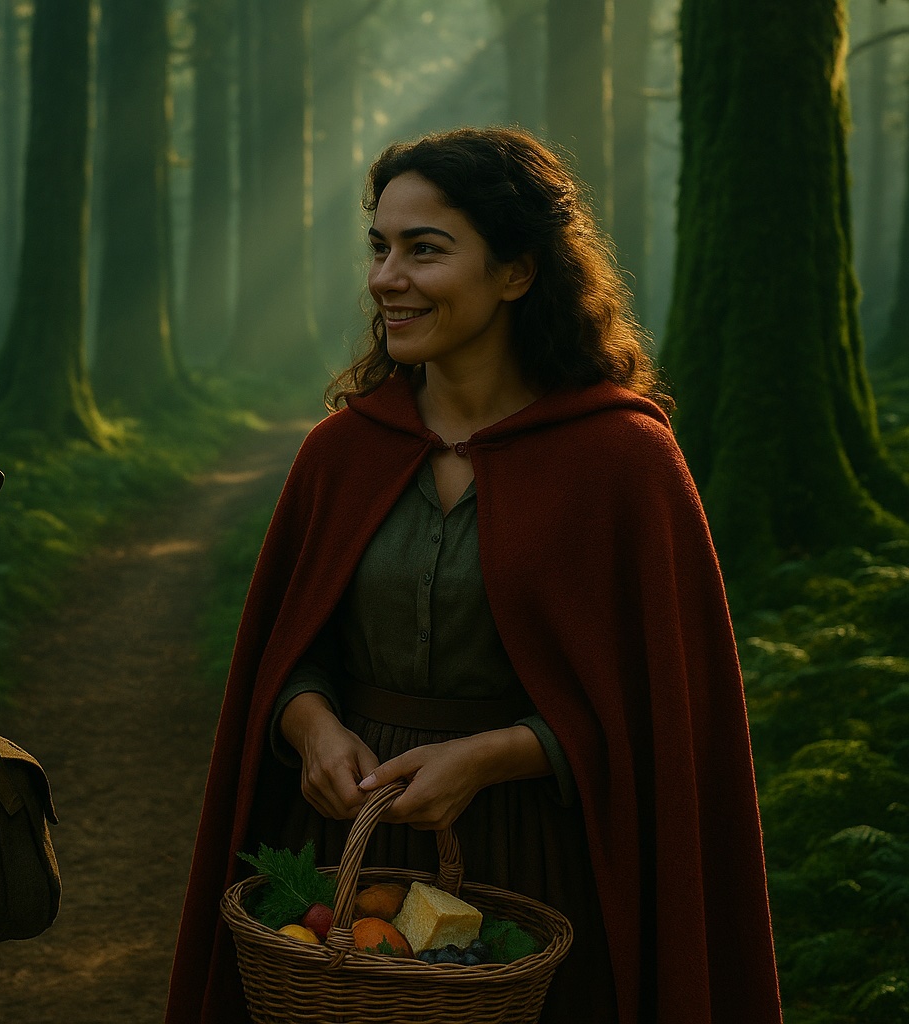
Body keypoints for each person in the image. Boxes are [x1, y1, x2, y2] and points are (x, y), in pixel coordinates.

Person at [165, 126, 783, 1024]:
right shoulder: (342, 455)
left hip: (539, 858)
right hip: (349, 848)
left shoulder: (623, 461)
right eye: (380, 247)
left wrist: (493, 755)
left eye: (425, 250)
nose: (387, 279)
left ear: (517, 272)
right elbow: (290, 653)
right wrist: (312, 730)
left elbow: (664, 711)